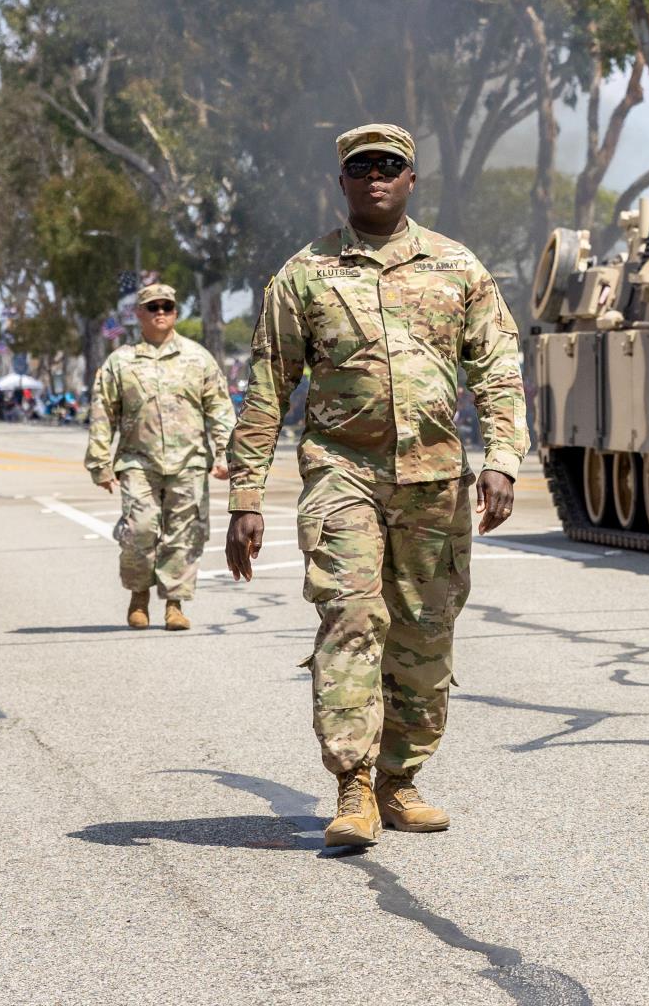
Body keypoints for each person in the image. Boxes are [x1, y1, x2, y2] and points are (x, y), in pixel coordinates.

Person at [225, 122, 529, 849]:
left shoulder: (459, 269)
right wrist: (244, 495)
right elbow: (268, 385)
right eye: (361, 167)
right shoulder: (304, 275)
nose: (375, 177)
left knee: (425, 631)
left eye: (389, 165)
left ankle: (400, 779)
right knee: (352, 619)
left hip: (434, 481)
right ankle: (353, 785)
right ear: (342, 182)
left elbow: (497, 368)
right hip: (342, 471)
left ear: (412, 179)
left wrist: (503, 458)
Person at [85, 284, 234, 632]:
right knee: (140, 530)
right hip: (138, 461)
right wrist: (99, 462)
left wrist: (226, 454)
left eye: (166, 306)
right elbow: (102, 413)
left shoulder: (198, 358)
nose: (160, 312)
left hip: (190, 460)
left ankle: (174, 603)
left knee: (184, 534)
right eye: (152, 307)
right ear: (138, 314)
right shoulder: (120, 362)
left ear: (176, 312)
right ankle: (139, 595)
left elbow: (220, 410)